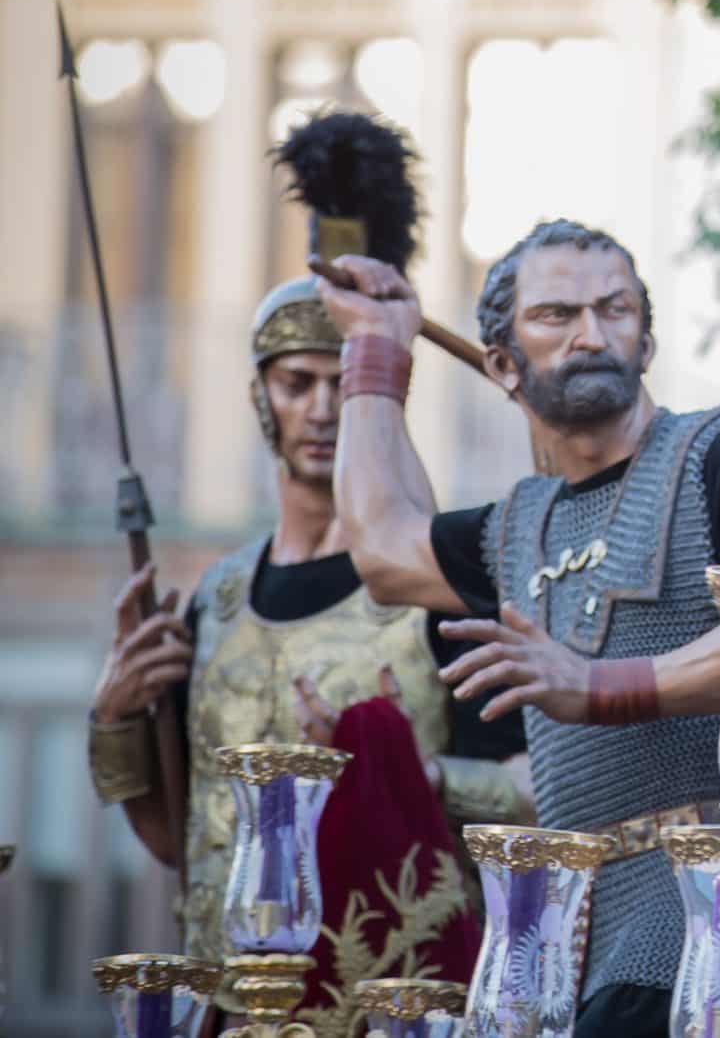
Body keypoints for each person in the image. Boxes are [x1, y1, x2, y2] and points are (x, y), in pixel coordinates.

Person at [318, 217, 720, 1038]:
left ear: (645, 336)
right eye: (557, 316)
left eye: (615, 308)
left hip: (716, 899)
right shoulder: (516, 525)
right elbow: (382, 545)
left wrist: (597, 685)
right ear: (501, 363)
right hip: (573, 926)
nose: (592, 333)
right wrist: (376, 348)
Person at [89, 250, 530, 1032]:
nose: (322, 408)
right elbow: (187, 841)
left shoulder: (428, 592)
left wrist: (410, 772)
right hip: (229, 1002)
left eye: (340, 382)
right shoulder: (217, 603)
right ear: (262, 396)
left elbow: (531, 791)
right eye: (297, 382)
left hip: (390, 998)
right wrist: (117, 722)